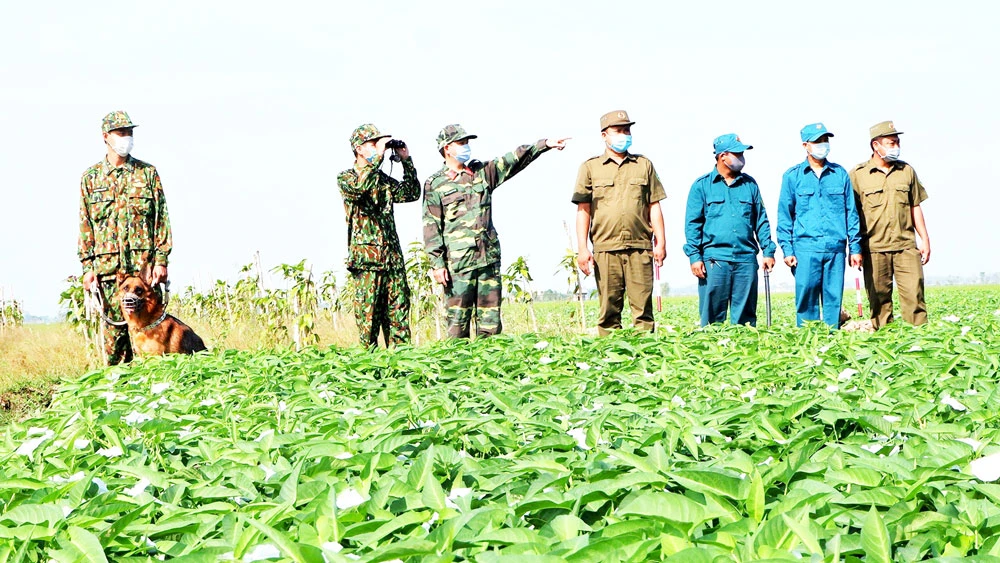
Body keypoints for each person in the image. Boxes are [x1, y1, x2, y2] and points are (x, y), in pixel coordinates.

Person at [423, 124, 568, 338]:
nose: (466, 147)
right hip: (458, 266)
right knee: (457, 327)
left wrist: (544, 145)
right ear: (447, 148)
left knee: (490, 327)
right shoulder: (435, 184)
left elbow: (513, 159)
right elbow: (431, 226)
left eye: (467, 142)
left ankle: (490, 370)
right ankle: (456, 369)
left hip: (487, 261)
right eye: (461, 143)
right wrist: (437, 264)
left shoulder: (482, 173)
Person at [78, 111, 171, 365]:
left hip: (144, 274)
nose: (126, 137)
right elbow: (86, 226)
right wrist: (88, 268)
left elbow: (160, 218)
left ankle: (155, 395)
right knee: (116, 341)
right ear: (106, 137)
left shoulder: (147, 174)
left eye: (129, 132)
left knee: (153, 337)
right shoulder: (91, 178)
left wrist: (161, 260)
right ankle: (119, 396)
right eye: (121, 133)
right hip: (110, 274)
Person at [572, 110, 666, 335]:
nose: (624, 135)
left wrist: (661, 242)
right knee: (608, 312)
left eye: (627, 130)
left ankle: (645, 360)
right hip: (606, 249)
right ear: (604, 135)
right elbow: (583, 210)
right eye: (618, 131)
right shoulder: (590, 167)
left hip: (640, 247)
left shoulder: (643, 165)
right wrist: (583, 249)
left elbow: (654, 205)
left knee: (643, 312)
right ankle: (610, 360)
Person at [337, 124, 420, 347]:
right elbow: (360, 188)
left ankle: (403, 374)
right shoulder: (346, 178)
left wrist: (406, 161)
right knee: (368, 328)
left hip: (392, 261)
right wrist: (378, 158)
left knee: (399, 323)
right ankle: (369, 377)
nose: (378, 148)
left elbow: (411, 193)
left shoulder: (383, 180)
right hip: (367, 264)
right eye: (373, 144)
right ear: (359, 149)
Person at [683, 133, 776, 326]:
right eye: (737, 153)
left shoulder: (750, 184)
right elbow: (693, 225)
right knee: (711, 320)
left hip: (745, 260)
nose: (742, 158)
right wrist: (695, 257)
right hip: (715, 261)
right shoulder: (702, 186)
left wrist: (768, 251)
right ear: (722, 156)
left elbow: (761, 220)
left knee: (745, 321)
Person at [777, 123, 863, 328]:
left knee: (833, 298)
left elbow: (851, 212)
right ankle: (809, 342)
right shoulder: (793, 176)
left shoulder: (840, 174)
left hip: (835, 247)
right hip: (805, 248)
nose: (822, 145)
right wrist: (787, 249)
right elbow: (785, 216)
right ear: (805, 145)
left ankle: (831, 341)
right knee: (806, 298)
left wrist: (855, 248)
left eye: (825, 140)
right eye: (817, 141)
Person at [849, 120, 931, 328]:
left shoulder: (907, 171)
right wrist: (854, 248)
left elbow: (915, 207)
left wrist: (925, 239)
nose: (896, 147)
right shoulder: (858, 175)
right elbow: (851, 214)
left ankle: (919, 345)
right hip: (874, 249)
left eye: (897, 142)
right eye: (891, 142)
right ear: (876, 145)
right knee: (879, 303)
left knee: (915, 298)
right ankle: (885, 346)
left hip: (906, 247)